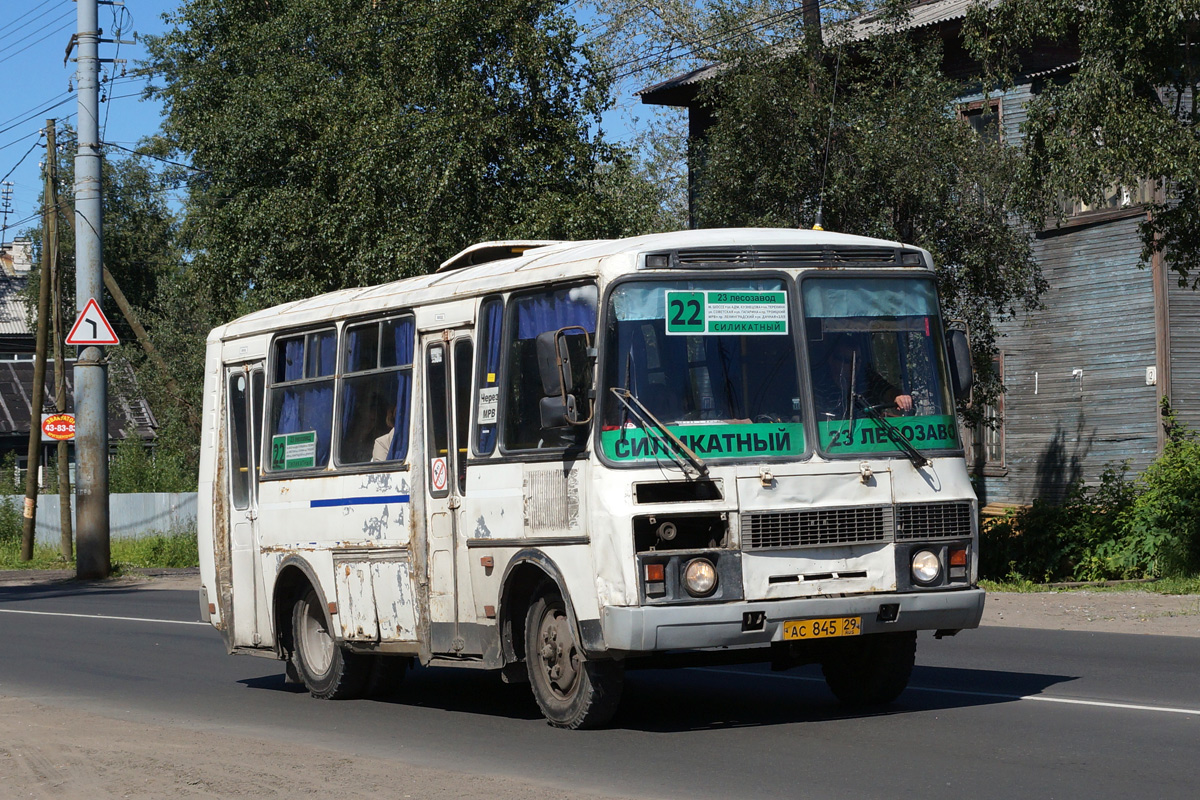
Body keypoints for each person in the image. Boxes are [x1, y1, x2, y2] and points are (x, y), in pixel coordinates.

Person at [811, 337, 912, 420]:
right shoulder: (820, 388)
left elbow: (888, 391)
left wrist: (899, 397)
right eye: (847, 361)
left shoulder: (868, 377)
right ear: (832, 360)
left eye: (857, 361)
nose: (853, 367)